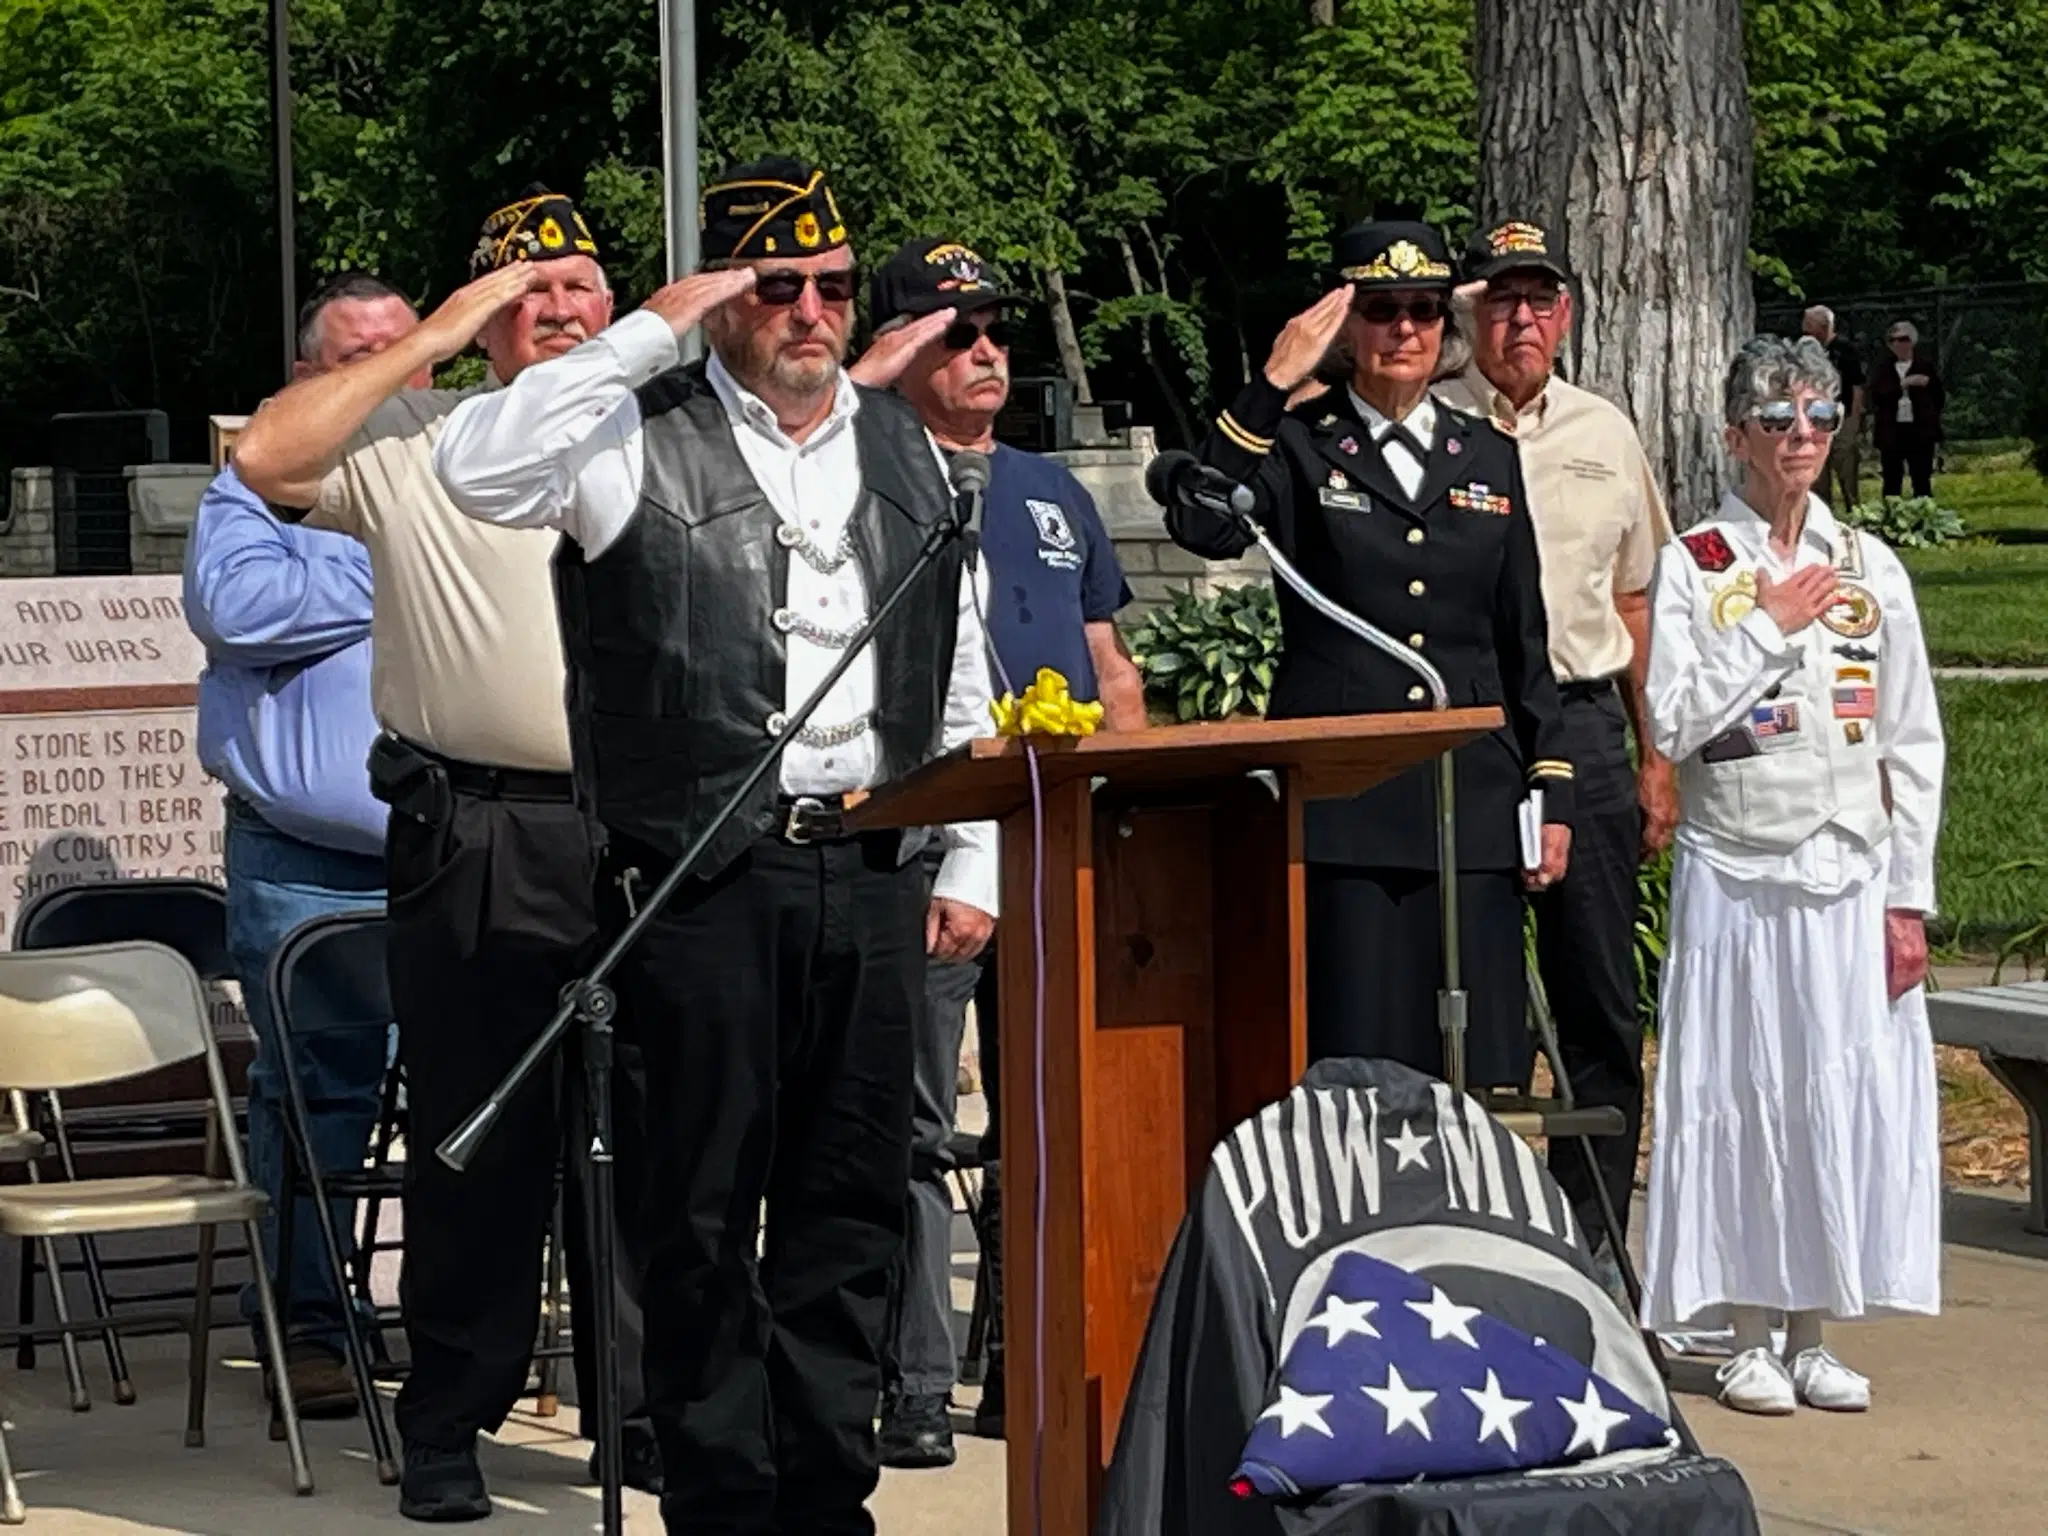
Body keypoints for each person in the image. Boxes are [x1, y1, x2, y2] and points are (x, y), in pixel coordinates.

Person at [430, 157, 999, 1536]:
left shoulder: (903, 439)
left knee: (850, 1212)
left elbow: (956, 655)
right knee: (692, 1222)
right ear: (729, 294)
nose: (813, 312)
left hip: (868, 871)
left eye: (834, 286)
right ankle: (725, 1503)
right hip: (698, 879)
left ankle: (826, 1498)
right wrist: (644, 331)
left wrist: (974, 855)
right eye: (779, 284)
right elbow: (476, 464)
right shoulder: (632, 429)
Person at [230, 188, 658, 1520]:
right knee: (484, 1142)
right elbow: (264, 461)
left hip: (651, 829)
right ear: (480, 316)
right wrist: (435, 339)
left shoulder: (669, 427)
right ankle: (452, 1426)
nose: (562, 309)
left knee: (646, 1135)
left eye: (583, 287)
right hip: (482, 829)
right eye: (529, 293)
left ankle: (633, 1411)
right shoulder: (417, 433)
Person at [848, 235, 1147, 1468]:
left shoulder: (1046, 487)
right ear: (901, 346)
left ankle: (1024, 1367)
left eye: (993, 332)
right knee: (914, 1131)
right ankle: (913, 1381)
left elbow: (1111, 666)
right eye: (952, 332)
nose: (985, 352)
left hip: (1057, 844)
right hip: (928, 847)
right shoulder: (865, 477)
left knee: (1050, 1123)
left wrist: (1127, 807)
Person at [1168, 218, 1575, 1088]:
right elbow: (1201, 521)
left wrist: (1552, 784)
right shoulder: (1299, 445)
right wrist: (1275, 380)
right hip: (1345, 809)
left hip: (1468, 801)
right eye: (1382, 309)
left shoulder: (1488, 456)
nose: (1404, 331)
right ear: (1345, 326)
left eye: (1424, 311)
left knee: (1476, 1076)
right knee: (1349, 1071)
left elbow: (1520, 638)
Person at [1640, 335, 1944, 1416]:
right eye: (1776, 422)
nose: (1800, 438)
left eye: (1817, 418)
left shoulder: (1868, 564)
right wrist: (1766, 628)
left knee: (1831, 1092)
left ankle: (1814, 1325)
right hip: (1737, 866)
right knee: (1741, 1090)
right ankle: (1743, 1327)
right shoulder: (1696, 563)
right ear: (1734, 438)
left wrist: (1908, 895)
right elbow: (1673, 717)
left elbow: (1912, 738)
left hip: (1848, 864)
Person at [184, 272, 405, 1419]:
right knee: (317, 1097)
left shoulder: (457, 464)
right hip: (304, 862)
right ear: (309, 376)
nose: (384, 373)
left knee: (491, 1097)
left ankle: (456, 1316)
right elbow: (243, 612)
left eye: (405, 351)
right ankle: (310, 1327)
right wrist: (403, 568)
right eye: (353, 354)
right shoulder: (253, 487)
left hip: (457, 850)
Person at [1434, 219, 1675, 1264]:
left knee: (1597, 1000)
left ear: (1564, 316)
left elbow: (1632, 602)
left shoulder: (1603, 430)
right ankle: (1474, 1241)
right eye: (1498, 302)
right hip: (1467, 733)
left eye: (1536, 301)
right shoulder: (1426, 425)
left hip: (1581, 726)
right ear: (1468, 319)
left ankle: (1592, 1253)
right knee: (1466, 1008)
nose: (1519, 320)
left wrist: (1653, 753)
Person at [1869, 319, 1944, 499]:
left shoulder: (1925, 366)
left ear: (1912, 341)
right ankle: (1893, 518)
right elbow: (1877, 395)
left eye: (1903, 339)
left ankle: (1923, 516)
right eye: (1892, 340)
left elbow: (1939, 396)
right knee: (1891, 479)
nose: (1898, 344)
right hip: (1892, 430)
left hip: (1919, 430)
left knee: (1921, 479)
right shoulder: (1883, 368)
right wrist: (1904, 384)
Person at [1802, 305, 1865, 511]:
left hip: (1842, 414)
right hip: (1817, 416)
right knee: (1819, 469)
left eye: (1809, 324)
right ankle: (1823, 509)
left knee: (1845, 461)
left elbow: (1857, 385)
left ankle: (1854, 509)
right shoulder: (1807, 350)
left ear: (1824, 326)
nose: (1805, 329)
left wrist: (1854, 418)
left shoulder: (1846, 350)